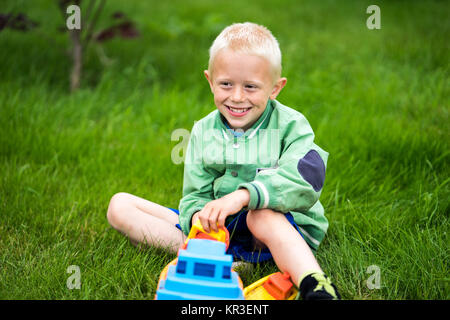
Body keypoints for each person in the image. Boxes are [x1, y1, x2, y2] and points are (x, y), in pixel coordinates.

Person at [107, 22, 340, 300]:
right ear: (210, 81)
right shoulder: (204, 131)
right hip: (226, 228)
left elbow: (305, 179)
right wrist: (199, 219)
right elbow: (196, 195)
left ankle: (316, 284)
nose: (237, 97)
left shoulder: (291, 126)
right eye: (226, 84)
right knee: (119, 206)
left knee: (260, 215)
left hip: (279, 226)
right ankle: (214, 257)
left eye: (251, 87)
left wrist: (243, 196)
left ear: (275, 88)